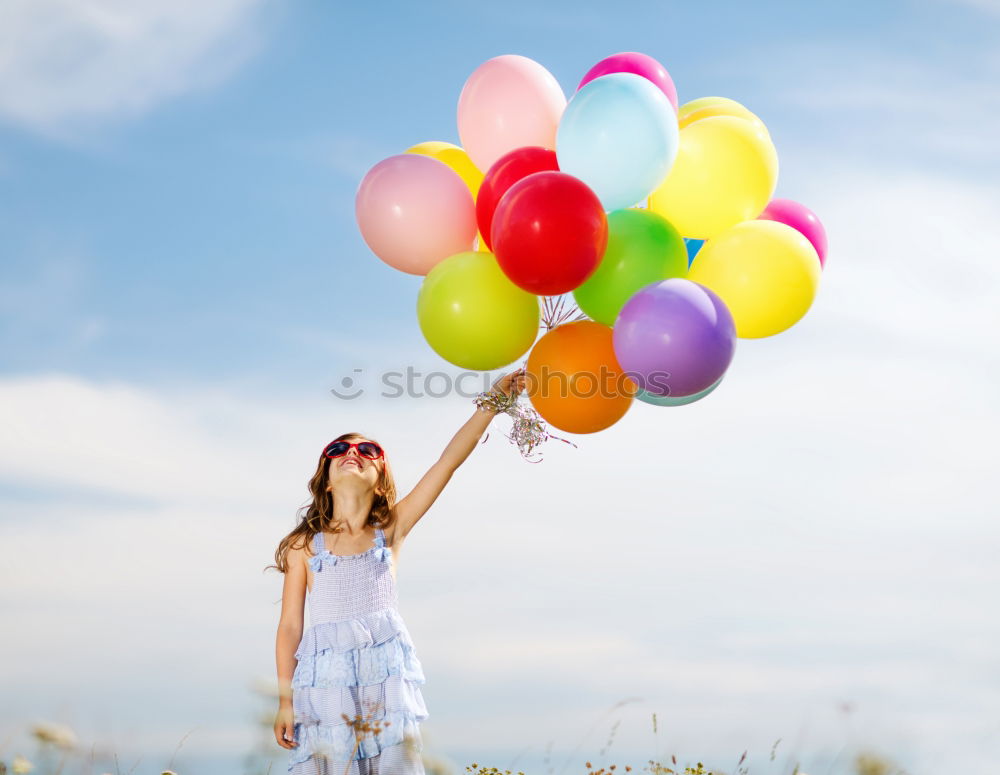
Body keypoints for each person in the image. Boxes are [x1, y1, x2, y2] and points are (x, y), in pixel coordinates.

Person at [270, 367, 527, 774]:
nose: (352, 453)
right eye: (338, 449)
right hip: (325, 687)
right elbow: (289, 628)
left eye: (367, 450)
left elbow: (449, 461)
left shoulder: (390, 529)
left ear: (380, 479)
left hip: (385, 684)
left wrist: (494, 403)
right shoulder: (305, 545)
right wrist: (286, 699)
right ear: (328, 481)